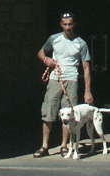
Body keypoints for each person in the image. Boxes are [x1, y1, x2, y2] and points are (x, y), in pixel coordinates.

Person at [35, 11, 93, 157]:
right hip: (55, 78)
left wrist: (87, 91)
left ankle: (64, 145)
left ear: (74, 24)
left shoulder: (81, 43)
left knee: (68, 114)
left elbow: (86, 68)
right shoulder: (54, 39)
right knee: (48, 110)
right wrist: (47, 60)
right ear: (61, 25)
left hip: (72, 79)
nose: (68, 27)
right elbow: (41, 52)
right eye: (65, 24)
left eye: (70, 24)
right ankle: (44, 146)